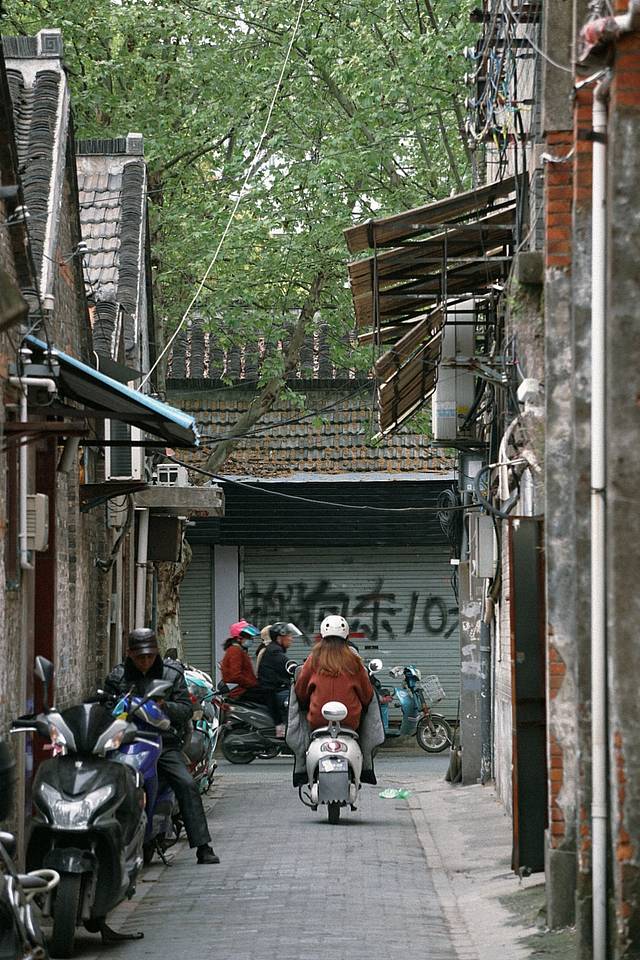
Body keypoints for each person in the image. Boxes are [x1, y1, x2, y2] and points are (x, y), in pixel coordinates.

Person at [105, 628, 220, 865]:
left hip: (163, 742)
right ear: (130, 654)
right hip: (127, 744)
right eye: (140, 657)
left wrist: (164, 707)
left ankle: (203, 846)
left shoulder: (171, 674)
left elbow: (186, 709)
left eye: (150, 656)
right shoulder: (117, 677)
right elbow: (105, 709)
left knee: (186, 784)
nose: (145, 661)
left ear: (156, 652)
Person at [295, 615, 374, 731]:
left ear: (322, 635)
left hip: (317, 721)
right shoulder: (354, 661)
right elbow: (367, 696)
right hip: (350, 722)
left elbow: (301, 692)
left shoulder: (313, 659)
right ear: (347, 636)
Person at [220, 620, 275, 712]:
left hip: (244, 689)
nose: (251, 640)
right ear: (239, 638)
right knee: (271, 696)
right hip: (241, 691)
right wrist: (253, 684)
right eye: (248, 637)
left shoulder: (237, 650)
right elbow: (235, 675)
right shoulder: (235, 651)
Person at [257, 622, 300, 736]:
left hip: (275, 688)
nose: (291, 639)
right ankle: (285, 730)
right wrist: (300, 670)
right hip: (273, 691)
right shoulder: (274, 651)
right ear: (279, 638)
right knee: (297, 702)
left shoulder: (274, 649)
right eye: (289, 636)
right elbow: (288, 666)